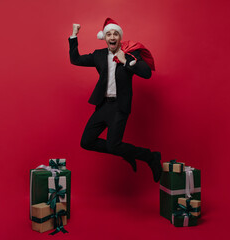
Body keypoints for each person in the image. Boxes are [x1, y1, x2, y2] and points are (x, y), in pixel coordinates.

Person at [68, 18, 162, 182]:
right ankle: (124, 152)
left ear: (120, 37)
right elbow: (75, 60)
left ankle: (150, 157)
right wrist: (74, 35)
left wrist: (125, 61)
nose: (112, 37)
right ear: (105, 38)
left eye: (116, 34)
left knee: (113, 145)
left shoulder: (131, 53)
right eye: (109, 34)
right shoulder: (99, 55)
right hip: (103, 105)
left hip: (120, 107)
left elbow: (147, 74)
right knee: (86, 142)